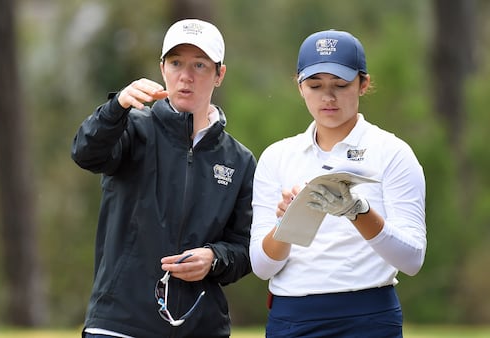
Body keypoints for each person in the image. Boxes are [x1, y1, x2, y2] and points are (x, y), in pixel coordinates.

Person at [71, 18, 256, 338]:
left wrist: (214, 258)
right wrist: (115, 108)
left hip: (200, 327)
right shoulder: (131, 128)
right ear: (162, 68)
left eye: (200, 65)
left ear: (219, 74)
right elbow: (86, 152)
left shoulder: (239, 160)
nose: (186, 76)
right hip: (119, 324)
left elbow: (245, 247)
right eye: (176, 63)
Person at [249, 29, 427, 337]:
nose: (327, 97)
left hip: (369, 314)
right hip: (292, 316)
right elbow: (262, 267)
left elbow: (412, 259)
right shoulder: (276, 156)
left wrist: (358, 211)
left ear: (363, 83)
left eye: (340, 85)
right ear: (299, 86)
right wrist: (289, 223)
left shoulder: (393, 152)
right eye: (315, 85)